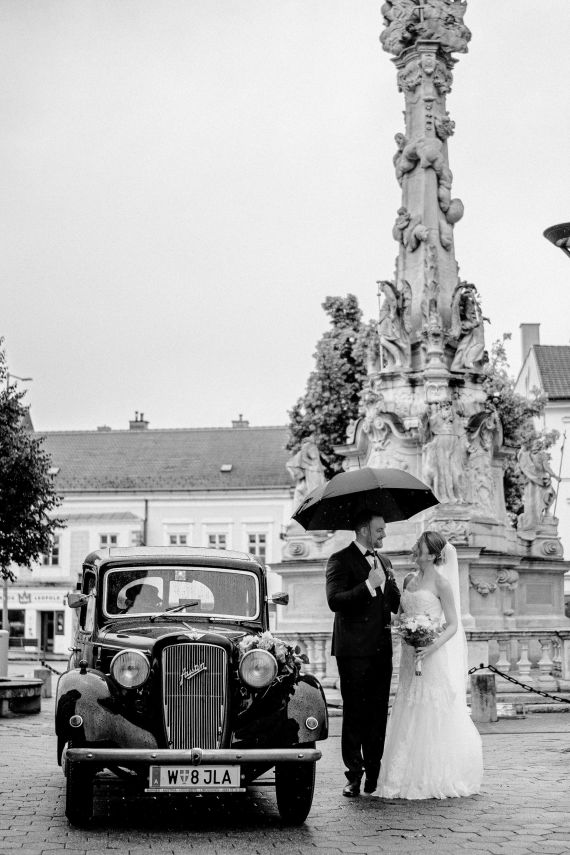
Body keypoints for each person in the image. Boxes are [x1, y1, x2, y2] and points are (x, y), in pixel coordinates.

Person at [378, 530, 483, 799]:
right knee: (408, 704)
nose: (414, 548)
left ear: (433, 554)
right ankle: (401, 776)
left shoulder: (442, 584)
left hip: (431, 654)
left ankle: (430, 776)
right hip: (410, 654)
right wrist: (401, 628)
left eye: (420, 545)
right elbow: (400, 615)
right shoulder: (409, 579)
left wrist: (431, 646)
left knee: (428, 708)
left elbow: (453, 624)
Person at [326, 512, 401, 797]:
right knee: (355, 712)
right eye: (379, 530)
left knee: (378, 713)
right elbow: (334, 601)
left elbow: (393, 604)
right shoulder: (339, 560)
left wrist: (401, 587)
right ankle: (353, 775)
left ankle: (374, 773)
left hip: (382, 649)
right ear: (364, 530)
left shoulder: (385, 561)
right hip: (353, 651)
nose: (384, 535)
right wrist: (368, 585)